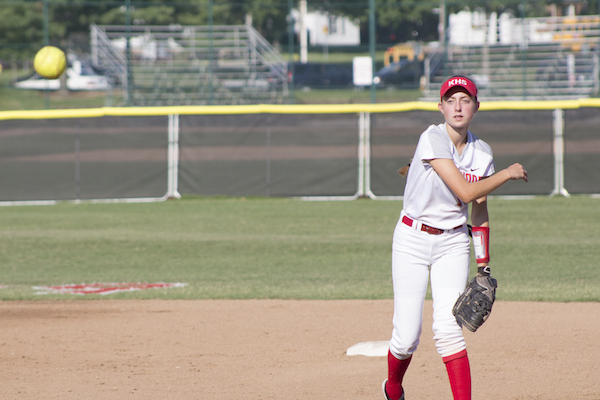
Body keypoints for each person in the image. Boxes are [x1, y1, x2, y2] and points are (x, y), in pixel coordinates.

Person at [382, 75, 528, 400]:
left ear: (476, 106)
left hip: (453, 243)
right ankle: (393, 388)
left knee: (449, 332)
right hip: (412, 240)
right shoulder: (432, 138)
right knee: (406, 336)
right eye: (451, 100)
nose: (458, 106)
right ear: (441, 107)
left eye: (465, 100)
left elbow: (478, 210)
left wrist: (483, 264)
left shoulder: (483, 152)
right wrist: (506, 173)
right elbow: (464, 190)